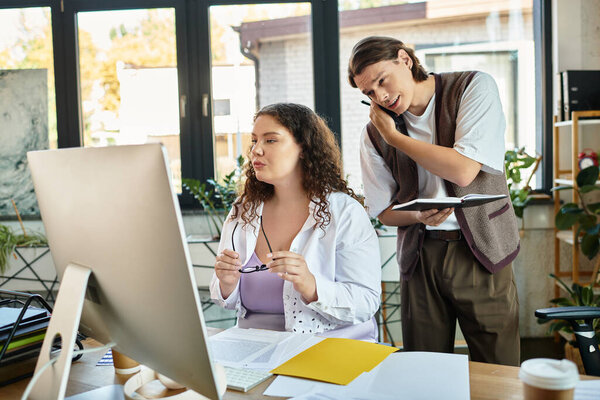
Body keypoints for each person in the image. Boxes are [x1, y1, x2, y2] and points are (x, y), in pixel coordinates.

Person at [348, 36, 520, 364]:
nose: (381, 96)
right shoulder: (372, 134)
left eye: (382, 80)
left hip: (482, 249)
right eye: (369, 93)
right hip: (420, 253)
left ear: (405, 59)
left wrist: (395, 138)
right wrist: (417, 217)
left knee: (499, 368)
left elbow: (464, 170)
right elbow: (383, 210)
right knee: (424, 370)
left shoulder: (473, 87)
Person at [210, 103, 381, 342]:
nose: (256, 150)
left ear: (304, 147)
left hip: (331, 345)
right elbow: (225, 298)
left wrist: (311, 286)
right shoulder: (243, 210)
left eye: (270, 140)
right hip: (254, 346)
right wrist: (227, 284)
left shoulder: (344, 212)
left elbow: (366, 302)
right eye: (254, 141)